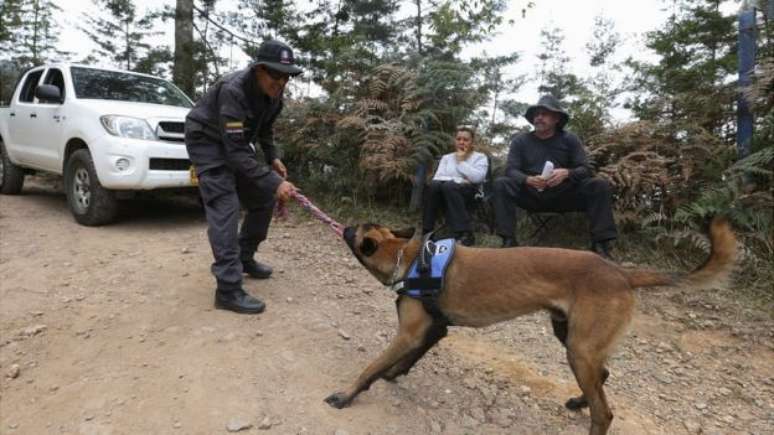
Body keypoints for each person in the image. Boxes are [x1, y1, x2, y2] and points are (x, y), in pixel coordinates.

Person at [184, 40, 301, 314]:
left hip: (232, 143)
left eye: (286, 76)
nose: (281, 82)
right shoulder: (233, 91)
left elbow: (264, 130)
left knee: (262, 198)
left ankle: (244, 257)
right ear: (258, 69)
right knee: (226, 205)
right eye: (275, 74)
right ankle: (227, 289)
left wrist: (273, 157)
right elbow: (236, 152)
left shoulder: (274, 96)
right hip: (205, 140)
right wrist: (276, 183)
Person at [492, 95, 618, 258]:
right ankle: (508, 241)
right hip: (531, 195)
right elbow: (510, 170)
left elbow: (585, 169)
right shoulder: (520, 141)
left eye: (544, 114)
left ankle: (601, 244)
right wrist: (527, 179)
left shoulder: (570, 139)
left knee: (599, 185)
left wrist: (567, 173)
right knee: (501, 183)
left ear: (556, 118)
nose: (539, 117)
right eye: (537, 114)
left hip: (564, 195)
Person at [422, 126, 489, 246]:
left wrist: (461, 161)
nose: (461, 142)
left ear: (472, 142)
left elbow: (477, 178)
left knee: (449, 186)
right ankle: (427, 231)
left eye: (465, 139)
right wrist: (460, 179)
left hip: (471, 193)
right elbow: (438, 177)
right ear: (455, 140)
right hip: (447, 189)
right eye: (458, 139)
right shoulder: (447, 158)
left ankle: (465, 233)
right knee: (434, 186)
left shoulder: (480, 157)